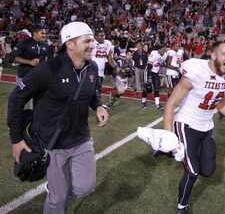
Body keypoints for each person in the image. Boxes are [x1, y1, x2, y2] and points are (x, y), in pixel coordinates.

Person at [7, 21, 110, 214]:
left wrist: (98, 106)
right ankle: (57, 191)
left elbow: (91, 93)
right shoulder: (49, 68)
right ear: (70, 44)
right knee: (58, 199)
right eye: (87, 40)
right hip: (52, 144)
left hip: (81, 139)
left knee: (85, 188)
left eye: (93, 40)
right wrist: (16, 140)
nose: (93, 44)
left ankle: (58, 187)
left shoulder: (93, 68)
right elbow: (16, 99)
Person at [163, 41, 225, 214]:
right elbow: (171, 104)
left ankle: (187, 158)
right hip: (186, 124)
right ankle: (182, 206)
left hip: (206, 127)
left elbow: (220, 101)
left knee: (208, 171)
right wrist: (168, 135)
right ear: (213, 55)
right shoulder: (196, 70)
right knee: (193, 171)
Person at [91, 28, 117, 93]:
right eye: (101, 35)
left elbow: (110, 59)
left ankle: (96, 102)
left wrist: (117, 68)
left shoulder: (108, 43)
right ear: (95, 37)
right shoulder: (91, 43)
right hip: (91, 71)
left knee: (98, 90)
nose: (103, 37)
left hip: (101, 72)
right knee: (92, 90)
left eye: (103, 35)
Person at [133, 43, 148, 107]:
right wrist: (139, 56)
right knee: (137, 78)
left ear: (142, 46)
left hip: (143, 67)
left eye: (140, 46)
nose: (139, 47)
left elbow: (146, 59)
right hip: (137, 67)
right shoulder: (135, 52)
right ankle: (138, 89)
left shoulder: (145, 52)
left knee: (142, 79)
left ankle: (141, 88)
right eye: (138, 46)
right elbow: (134, 59)